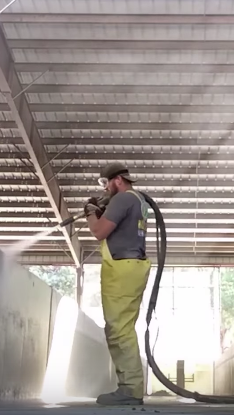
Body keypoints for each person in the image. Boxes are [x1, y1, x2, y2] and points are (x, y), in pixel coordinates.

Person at [84, 162, 151, 406]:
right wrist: (102, 209)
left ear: (118, 180)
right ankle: (129, 386)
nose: (105, 190)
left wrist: (91, 212)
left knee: (119, 330)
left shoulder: (123, 199)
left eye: (105, 184)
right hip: (131, 267)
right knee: (121, 328)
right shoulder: (137, 201)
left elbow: (99, 231)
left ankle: (130, 389)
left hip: (122, 269)